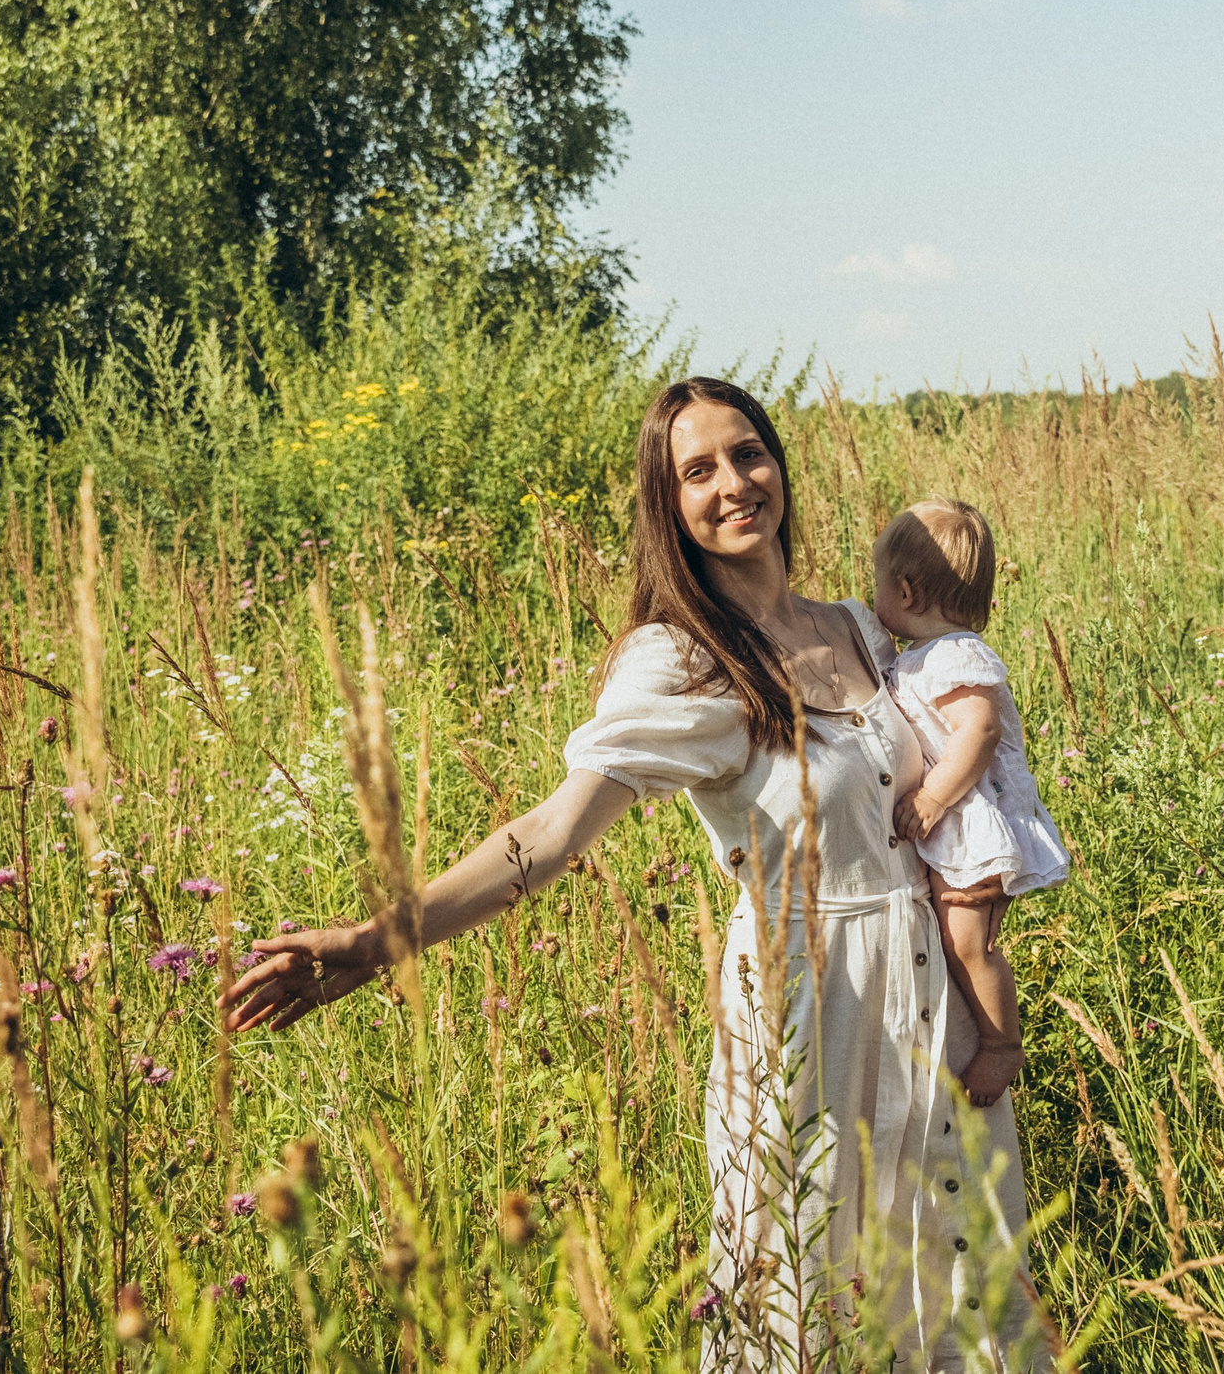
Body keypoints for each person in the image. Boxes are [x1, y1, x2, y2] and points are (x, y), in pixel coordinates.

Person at [221, 376, 1041, 1370]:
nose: (734, 484)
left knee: (958, 1290)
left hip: (932, 1013)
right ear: (669, 506)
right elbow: (552, 833)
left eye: (747, 454)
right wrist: (377, 937)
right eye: (698, 470)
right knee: (812, 1306)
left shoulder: (868, 631)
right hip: (813, 1016)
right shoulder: (686, 663)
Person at [867, 501, 1070, 1110]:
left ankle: (1001, 1043)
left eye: (875, 585)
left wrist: (931, 796)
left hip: (974, 822)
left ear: (905, 590)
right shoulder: (928, 656)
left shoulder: (955, 656)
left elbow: (977, 733)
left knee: (967, 941)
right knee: (960, 934)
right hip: (962, 821)